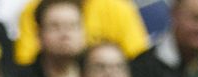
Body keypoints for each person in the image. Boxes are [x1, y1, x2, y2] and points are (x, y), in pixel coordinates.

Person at [12, 0, 147, 66]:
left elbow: (139, 64)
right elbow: (26, 63)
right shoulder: (34, 10)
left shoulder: (119, 9)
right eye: (55, 26)